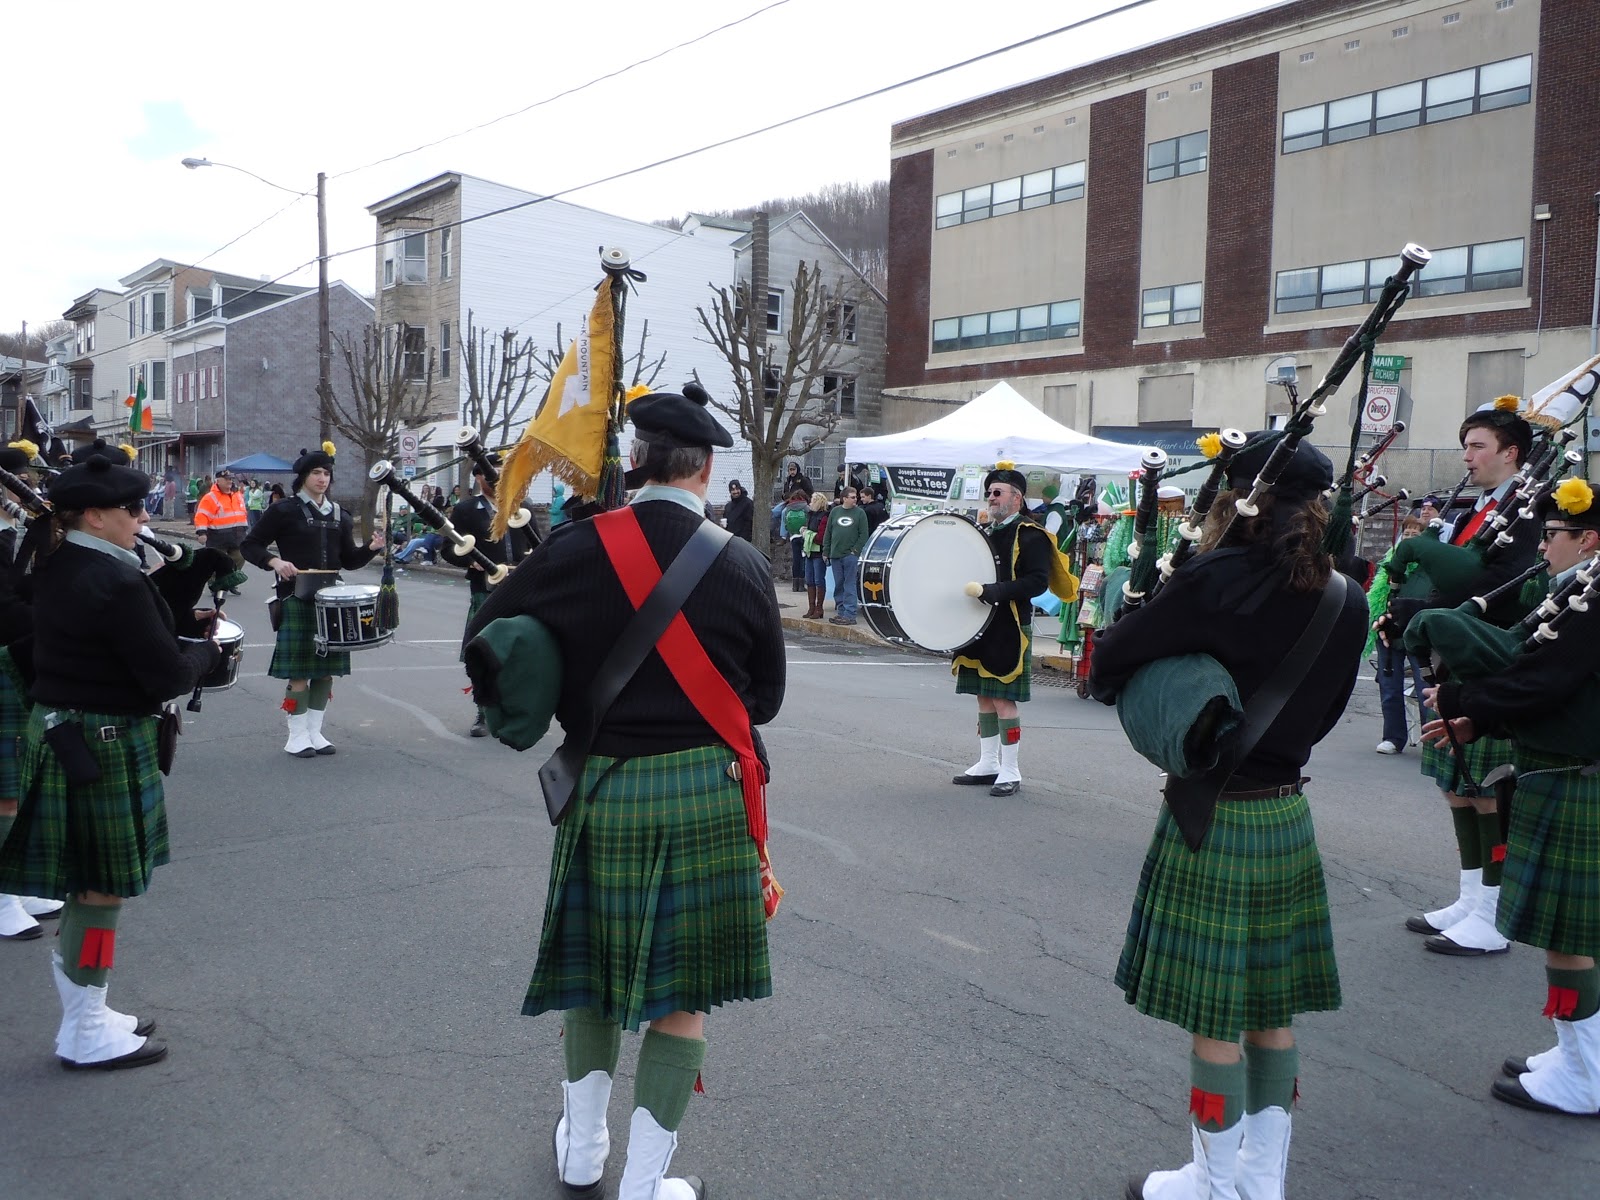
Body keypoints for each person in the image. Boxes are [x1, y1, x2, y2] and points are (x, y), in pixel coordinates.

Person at [466, 382, 784, 1200]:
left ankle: (581, 1153)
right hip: (707, 793)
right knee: (684, 998)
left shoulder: (573, 547)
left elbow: (486, 639)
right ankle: (645, 1186)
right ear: (704, 470)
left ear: (635, 461)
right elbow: (765, 701)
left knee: (594, 977)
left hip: (603, 786)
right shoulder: (743, 563)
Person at [1088, 436, 1368, 1199]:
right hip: (1286, 813)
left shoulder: (1213, 579)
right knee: (1271, 1011)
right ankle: (1259, 1182)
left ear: (1238, 499)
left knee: (1215, 1018)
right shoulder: (1347, 597)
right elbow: (1329, 711)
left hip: (1212, 814)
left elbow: (1107, 664)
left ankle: (1213, 1186)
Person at [0, 452, 220, 1069]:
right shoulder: (113, 580)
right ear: (94, 517)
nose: (142, 517)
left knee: (87, 888)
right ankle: (86, 1028)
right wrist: (206, 652)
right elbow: (166, 675)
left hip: (69, 734)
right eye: (132, 508)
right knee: (100, 893)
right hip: (105, 740)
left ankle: (87, 1011)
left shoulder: (59, 564)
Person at [1422, 478, 1600, 1116]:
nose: (1543, 546)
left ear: (1589, 538)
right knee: (1575, 935)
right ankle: (1581, 1053)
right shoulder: (1583, 588)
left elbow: (1546, 680)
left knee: (1568, 937)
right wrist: (1480, 719)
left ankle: (1585, 1074)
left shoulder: (1594, 597)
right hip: (1567, 768)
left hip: (1576, 775)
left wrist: (1464, 698)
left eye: (1553, 535)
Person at [1379, 402, 1538, 956]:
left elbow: (1501, 583)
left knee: (1487, 789)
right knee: (1457, 788)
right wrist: (1408, 611)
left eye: (1477, 447)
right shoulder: (1483, 506)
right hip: (1453, 658)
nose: (1467, 457)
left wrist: (1428, 609)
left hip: (1489, 659)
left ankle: (1494, 912)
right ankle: (1470, 898)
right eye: (1465, 446)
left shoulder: (1527, 509)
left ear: (1511, 452)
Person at [241, 443, 383, 758]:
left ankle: (315, 733)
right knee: (299, 673)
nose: (322, 479)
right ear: (303, 476)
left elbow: (349, 561)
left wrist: (371, 549)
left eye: (326, 473)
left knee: (325, 672)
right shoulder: (283, 510)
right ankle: (296, 736)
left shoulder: (340, 515)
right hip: (296, 596)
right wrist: (274, 562)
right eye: (316, 473)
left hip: (331, 603)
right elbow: (250, 545)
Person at [951, 464, 1053, 797]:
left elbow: (1037, 582)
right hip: (980, 623)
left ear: (1017, 498)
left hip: (1010, 623)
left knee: (1002, 698)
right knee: (983, 695)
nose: (991, 498)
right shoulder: (983, 532)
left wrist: (994, 591)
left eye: (997, 492)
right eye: (989, 493)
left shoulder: (1031, 534)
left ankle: (1010, 769)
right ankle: (988, 763)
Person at [0, 441, 66, 941]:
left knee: (20, 783)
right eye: (20, 482)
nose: (28, 489)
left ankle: (17, 885)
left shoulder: (11, 527)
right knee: (4, 793)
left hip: (17, 658)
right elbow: (7, 604)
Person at [443, 458, 518, 737]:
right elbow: (447, 549)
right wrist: (469, 561)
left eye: (500, 472)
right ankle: (483, 713)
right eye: (489, 473)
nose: (496, 478)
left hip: (519, 588)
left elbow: (539, 544)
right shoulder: (465, 510)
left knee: (516, 652)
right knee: (484, 653)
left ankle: (512, 710)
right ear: (477, 477)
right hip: (484, 589)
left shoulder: (520, 505)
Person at [1372, 514, 1429, 754]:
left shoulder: (1430, 566)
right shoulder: (1390, 563)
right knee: (1389, 687)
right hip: (1389, 633)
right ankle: (1393, 738)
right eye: (1406, 534)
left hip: (1418, 634)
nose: (1409, 538)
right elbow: (1378, 597)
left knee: (1425, 688)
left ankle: (1431, 740)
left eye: (1415, 534)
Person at [822, 486, 870, 626]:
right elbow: (828, 532)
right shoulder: (835, 512)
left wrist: (855, 551)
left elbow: (863, 535)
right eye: (853, 497)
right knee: (839, 585)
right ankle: (841, 612)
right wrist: (826, 551)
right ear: (844, 498)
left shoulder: (860, 513)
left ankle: (850, 614)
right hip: (835, 555)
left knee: (849, 585)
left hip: (850, 556)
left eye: (856, 497)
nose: (856, 499)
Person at [193, 468, 249, 580]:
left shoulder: (237, 495)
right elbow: (202, 515)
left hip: (237, 536)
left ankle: (229, 579)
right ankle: (216, 581)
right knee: (217, 561)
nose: (229, 481)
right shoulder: (210, 497)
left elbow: (242, 512)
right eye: (226, 479)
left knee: (240, 556)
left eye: (231, 479)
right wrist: (202, 532)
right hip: (217, 537)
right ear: (218, 481)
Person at [801, 492, 829, 619]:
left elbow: (821, 537)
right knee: (809, 580)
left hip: (818, 552)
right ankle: (811, 607)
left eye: (812, 500)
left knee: (818, 580)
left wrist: (807, 534)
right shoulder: (811, 515)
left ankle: (819, 608)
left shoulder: (824, 517)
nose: (810, 503)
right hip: (809, 552)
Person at [780, 489, 810, 593]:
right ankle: (801, 585)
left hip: (793, 537)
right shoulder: (806, 507)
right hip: (804, 536)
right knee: (803, 560)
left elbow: (785, 522)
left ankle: (794, 585)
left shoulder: (787, 508)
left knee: (796, 560)